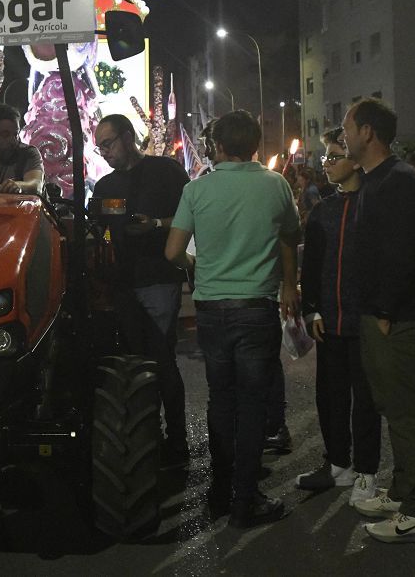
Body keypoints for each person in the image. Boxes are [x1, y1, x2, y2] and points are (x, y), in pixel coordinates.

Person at [164, 110, 300, 529]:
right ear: (255, 146)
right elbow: (289, 237)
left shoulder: (196, 190)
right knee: (254, 403)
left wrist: (198, 266)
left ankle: (219, 492)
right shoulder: (275, 184)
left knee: (221, 399)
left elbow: (172, 253)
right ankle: (246, 498)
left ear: (217, 146)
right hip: (256, 308)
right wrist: (289, 286)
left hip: (211, 310)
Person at [341, 97, 415, 543]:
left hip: (395, 319)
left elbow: (400, 257)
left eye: (347, 127)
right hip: (383, 316)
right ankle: (402, 493)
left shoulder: (397, 183)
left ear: (367, 132)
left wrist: (383, 312)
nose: (342, 136)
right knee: (394, 408)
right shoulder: (378, 180)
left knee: (404, 412)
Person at [92, 113, 190, 469]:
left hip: (158, 277)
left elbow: (188, 216)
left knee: (161, 358)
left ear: (128, 136)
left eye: (109, 143)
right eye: (99, 146)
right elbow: (99, 227)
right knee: (133, 363)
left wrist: (156, 225)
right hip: (121, 282)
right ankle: (144, 438)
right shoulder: (104, 187)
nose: (104, 151)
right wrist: (105, 238)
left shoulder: (166, 171)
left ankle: (176, 440)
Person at [296, 127, 381, 506]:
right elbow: (310, 268)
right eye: (325, 157)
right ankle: (338, 466)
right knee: (330, 396)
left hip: (365, 322)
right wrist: (310, 307)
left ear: (355, 158)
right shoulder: (322, 211)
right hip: (328, 320)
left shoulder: (376, 205)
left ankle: (366, 473)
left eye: (334, 156)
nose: (326, 164)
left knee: (365, 400)